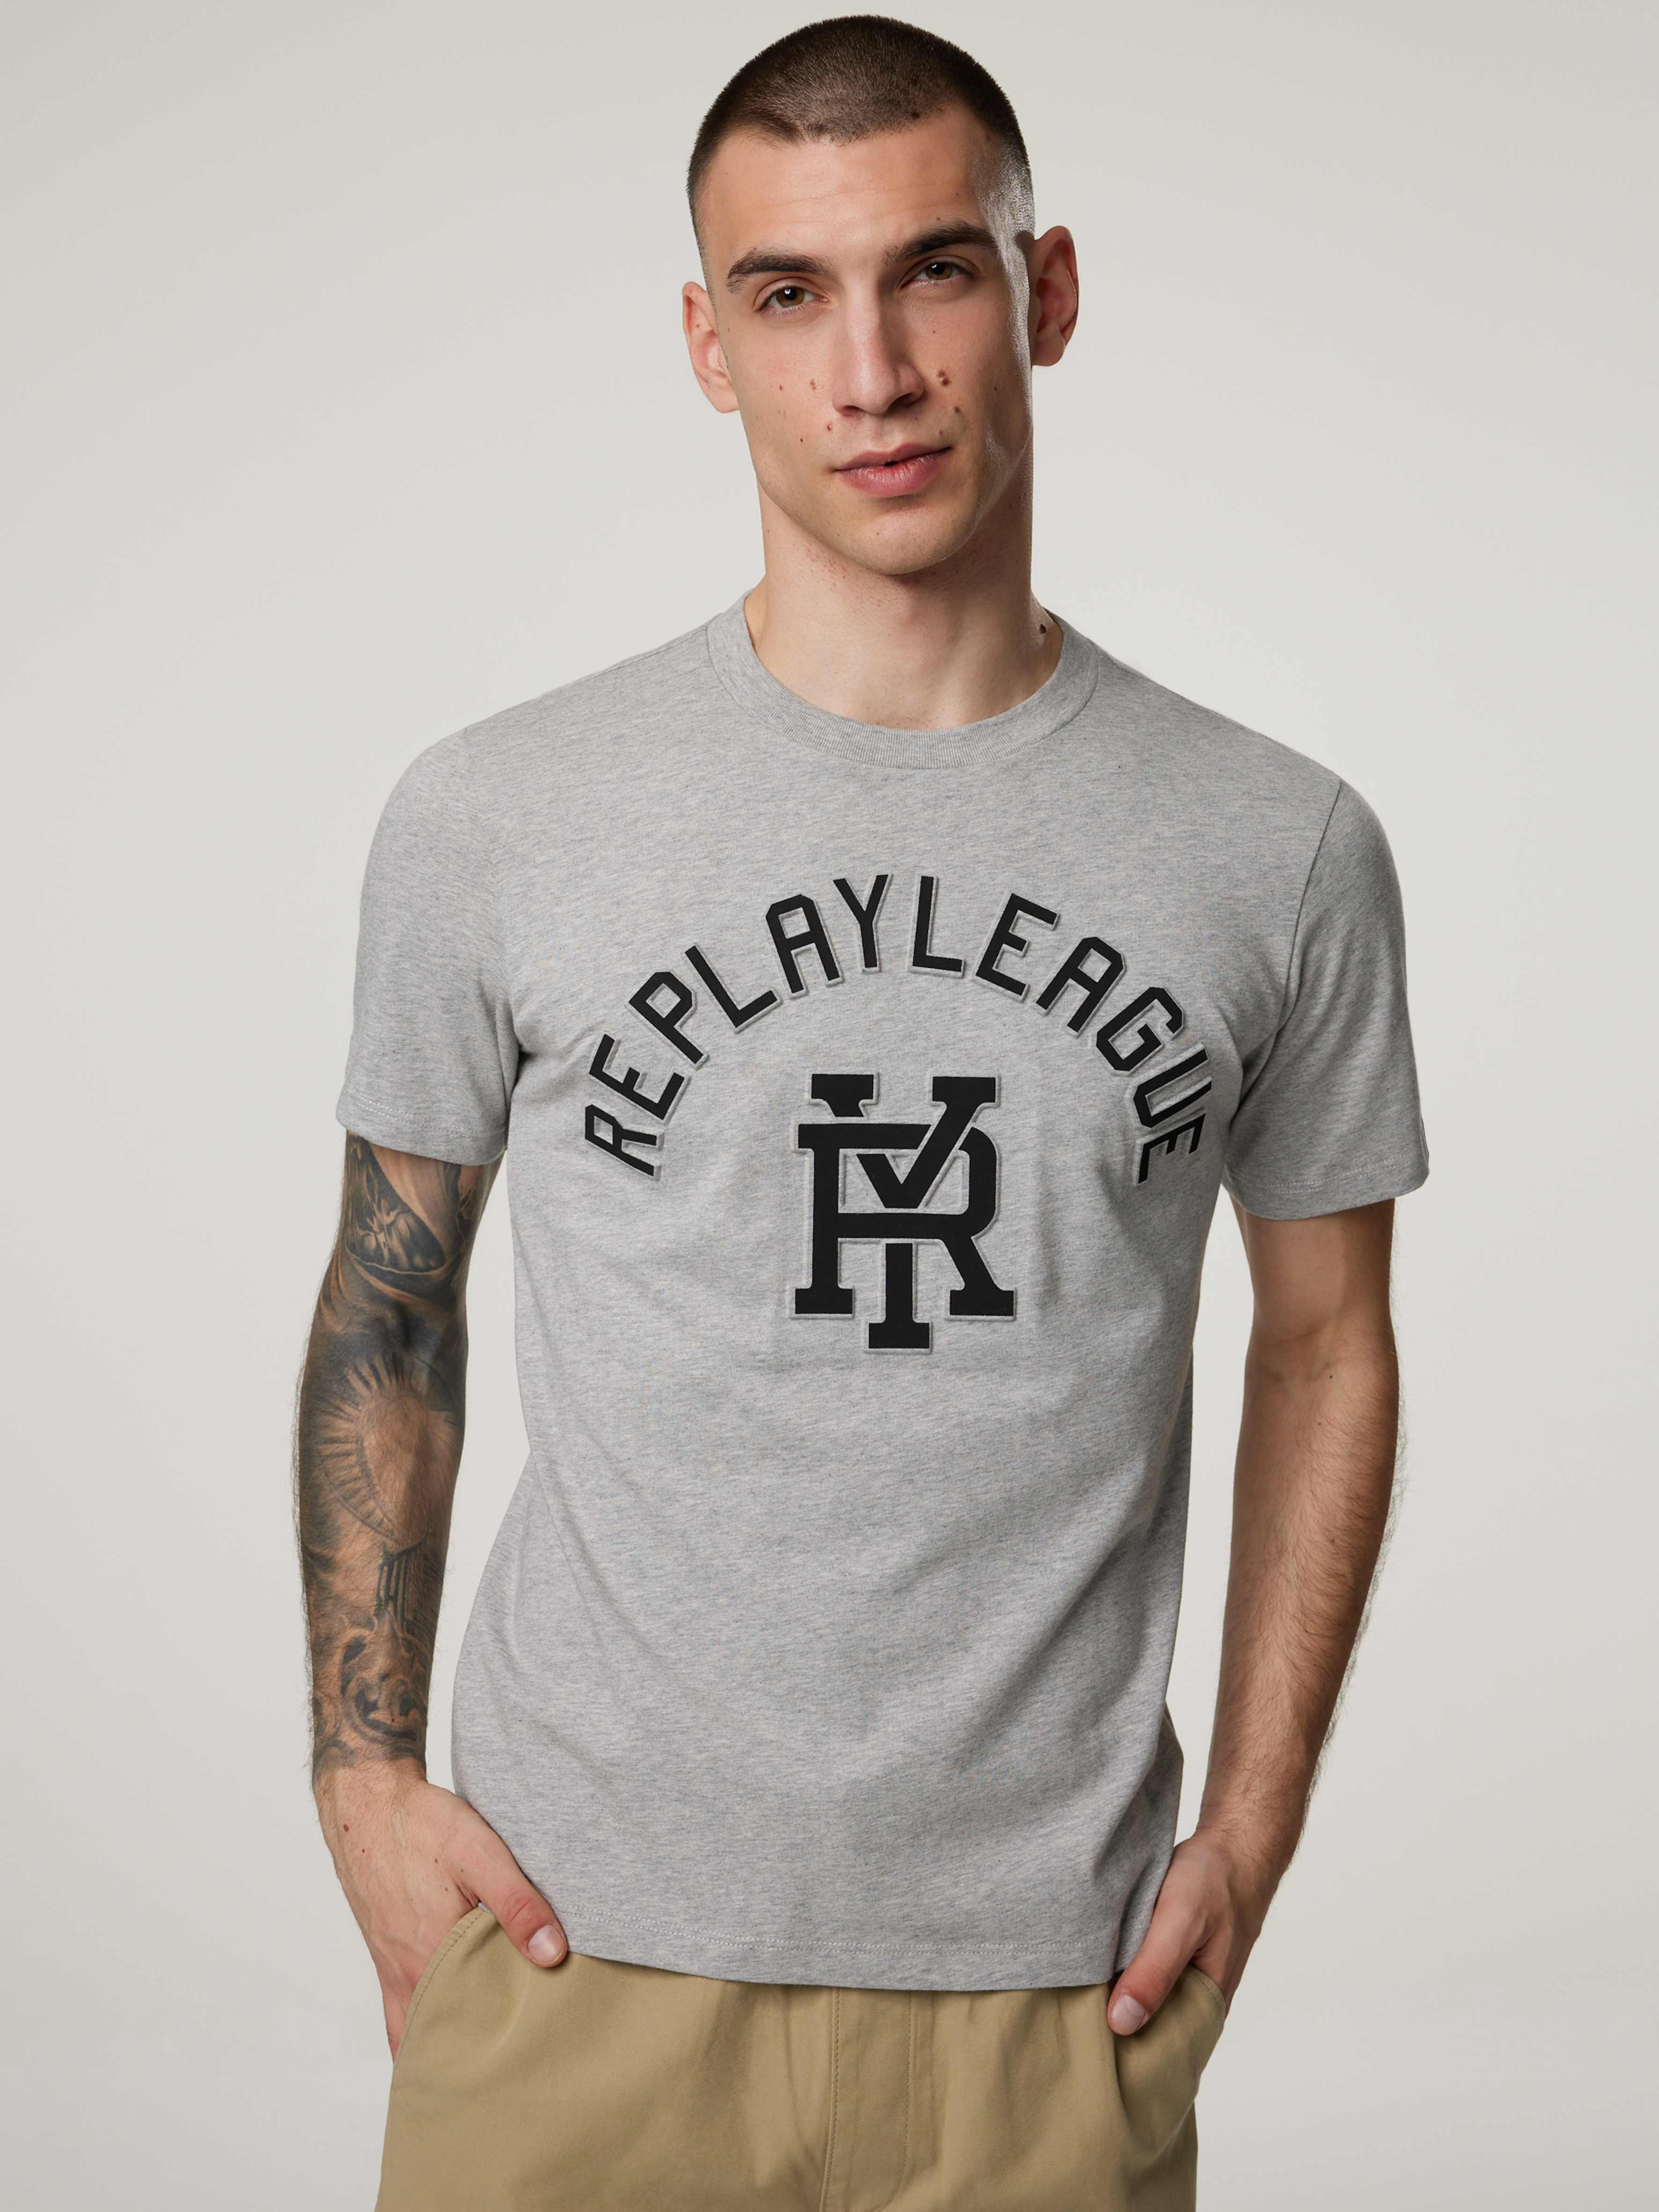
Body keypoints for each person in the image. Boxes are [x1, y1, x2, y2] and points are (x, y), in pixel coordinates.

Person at [296, 17, 1427, 2209]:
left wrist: (1257, 1814)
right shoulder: (497, 814)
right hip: (572, 1951)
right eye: (788, 294)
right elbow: (387, 1296)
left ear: (1046, 292)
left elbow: (1323, 1339)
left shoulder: (1275, 847)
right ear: (705, 346)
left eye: (935, 272)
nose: (872, 372)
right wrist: (358, 1772)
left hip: (1053, 1987)